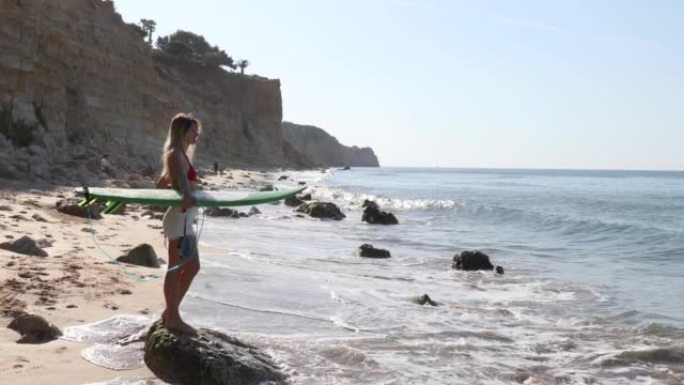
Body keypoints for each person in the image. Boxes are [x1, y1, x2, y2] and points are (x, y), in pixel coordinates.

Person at [155, 113, 202, 334]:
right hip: (178, 219)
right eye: (194, 130)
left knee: (192, 266)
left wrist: (188, 187)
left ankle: (170, 312)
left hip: (186, 219)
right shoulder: (175, 155)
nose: (197, 134)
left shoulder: (180, 155)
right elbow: (184, 191)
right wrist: (190, 191)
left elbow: (160, 184)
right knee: (175, 268)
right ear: (183, 131)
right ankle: (173, 317)